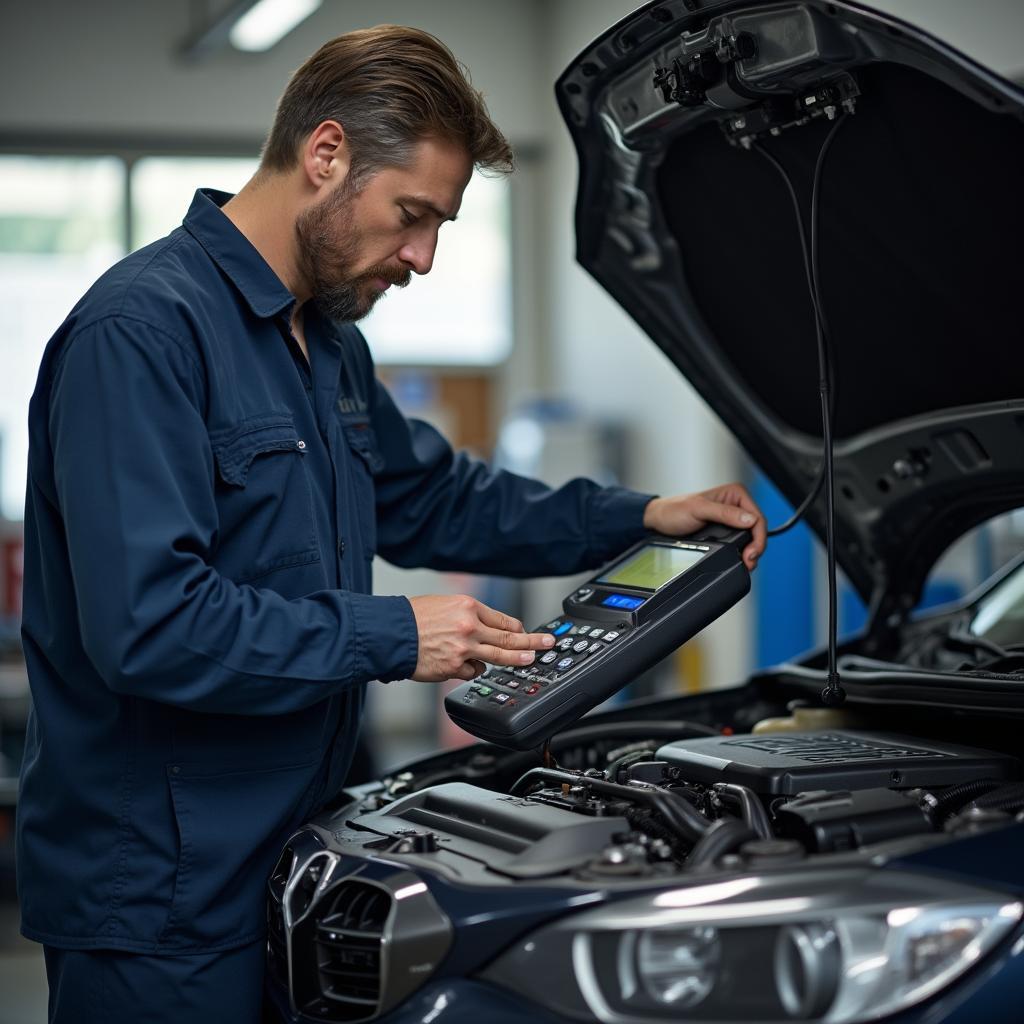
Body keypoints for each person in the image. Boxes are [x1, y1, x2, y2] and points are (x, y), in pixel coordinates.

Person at [16, 24, 766, 1024]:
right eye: (413, 215)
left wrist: (639, 516)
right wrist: (393, 636)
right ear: (325, 156)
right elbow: (149, 623)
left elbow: (441, 499)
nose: (419, 256)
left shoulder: (323, 344)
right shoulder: (143, 334)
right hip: (161, 899)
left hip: (297, 855)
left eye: (441, 226)